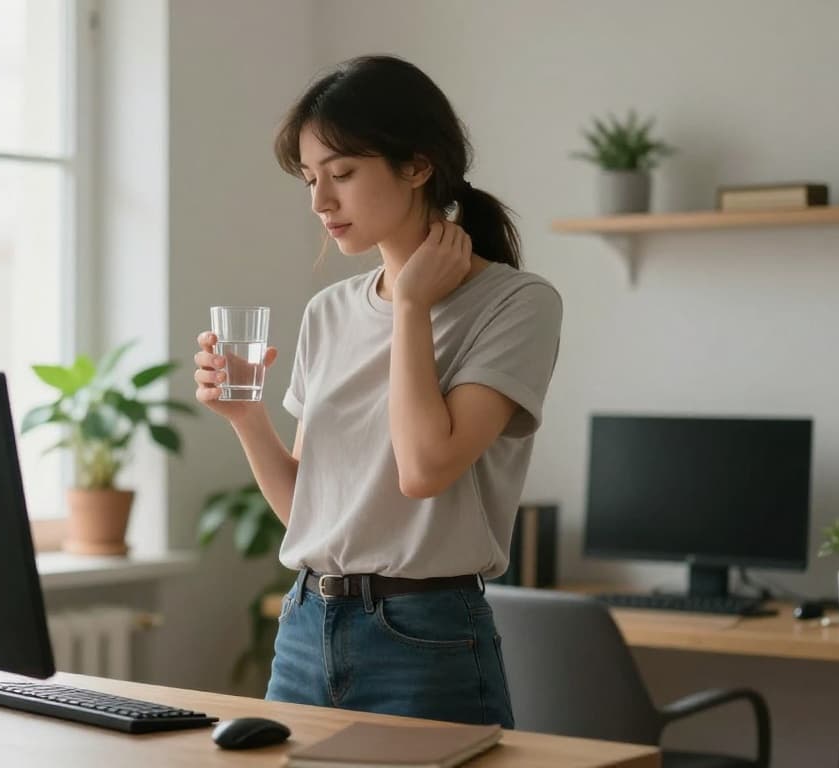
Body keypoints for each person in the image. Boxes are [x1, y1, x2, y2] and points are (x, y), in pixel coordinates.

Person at [193, 55, 562, 727]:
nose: (320, 202)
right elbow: (311, 511)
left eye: (342, 174)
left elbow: (425, 468)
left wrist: (412, 306)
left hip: (426, 637)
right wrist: (245, 417)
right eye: (310, 180)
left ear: (418, 166)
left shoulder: (516, 303)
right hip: (306, 626)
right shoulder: (329, 311)